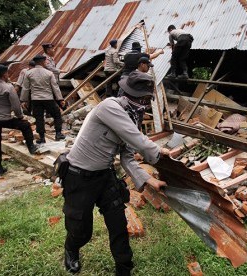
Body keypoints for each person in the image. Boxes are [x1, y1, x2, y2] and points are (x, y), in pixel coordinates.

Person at [62, 70, 171, 275]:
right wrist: (157, 151)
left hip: (104, 175)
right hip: (79, 176)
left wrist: (149, 180)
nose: (146, 104)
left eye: (149, 99)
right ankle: (71, 249)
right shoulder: (109, 106)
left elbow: (127, 157)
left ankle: (124, 269)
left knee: (118, 225)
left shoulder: (133, 118)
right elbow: (137, 140)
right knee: (81, 231)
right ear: (130, 94)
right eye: (145, 99)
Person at [0, 64, 38, 176]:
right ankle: (31, 147)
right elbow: (16, 106)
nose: (8, 75)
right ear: (4, 75)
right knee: (25, 125)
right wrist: (21, 116)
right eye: (7, 73)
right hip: (4, 118)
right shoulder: (8, 87)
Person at [20, 55, 66, 143]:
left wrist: (23, 100)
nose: (46, 63)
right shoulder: (49, 73)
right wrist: (60, 99)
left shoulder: (28, 73)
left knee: (39, 118)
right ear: (42, 62)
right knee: (57, 115)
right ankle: (58, 134)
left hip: (35, 99)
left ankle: (42, 138)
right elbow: (55, 87)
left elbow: (25, 88)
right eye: (45, 62)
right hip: (48, 98)